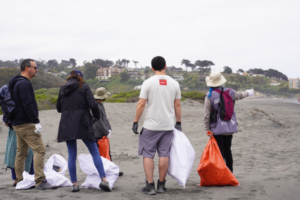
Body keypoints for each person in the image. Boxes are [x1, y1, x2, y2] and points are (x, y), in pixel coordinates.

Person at [132, 56, 182, 195]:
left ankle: (149, 186)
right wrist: (178, 123)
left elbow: (141, 104)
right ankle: (161, 184)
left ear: (152, 68)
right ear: (165, 66)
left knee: (148, 154)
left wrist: (136, 121)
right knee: (164, 154)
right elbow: (177, 105)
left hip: (151, 126)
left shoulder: (148, 83)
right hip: (167, 125)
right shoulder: (174, 83)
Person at [56, 70, 112, 192]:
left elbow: (58, 108)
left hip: (67, 123)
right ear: (80, 77)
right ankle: (104, 180)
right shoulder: (84, 86)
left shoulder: (63, 89)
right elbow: (93, 105)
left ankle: (75, 184)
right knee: (94, 151)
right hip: (83, 122)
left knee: (71, 154)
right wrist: (96, 117)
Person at [9, 59, 57, 190]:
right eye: (35, 67)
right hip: (26, 122)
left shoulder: (16, 82)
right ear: (26, 68)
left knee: (21, 152)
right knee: (40, 150)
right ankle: (40, 180)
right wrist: (36, 121)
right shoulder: (24, 84)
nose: (37, 70)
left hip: (17, 123)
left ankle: (19, 180)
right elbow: (27, 104)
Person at [204, 72, 254, 172]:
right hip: (229, 127)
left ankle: (222, 174)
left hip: (217, 129)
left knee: (220, 151)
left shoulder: (209, 95)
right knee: (228, 151)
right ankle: (230, 173)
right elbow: (240, 95)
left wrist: (207, 129)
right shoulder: (230, 92)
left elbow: (207, 115)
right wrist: (249, 92)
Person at [92, 87, 123, 176]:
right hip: (98, 134)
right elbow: (98, 121)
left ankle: (112, 170)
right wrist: (106, 131)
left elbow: (104, 119)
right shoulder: (96, 106)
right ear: (102, 97)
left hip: (102, 133)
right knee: (101, 154)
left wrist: (109, 129)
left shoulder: (99, 104)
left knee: (106, 152)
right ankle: (103, 172)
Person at [3, 116, 34, 187]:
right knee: (24, 151)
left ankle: (18, 179)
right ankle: (27, 177)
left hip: (15, 124)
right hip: (22, 124)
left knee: (14, 152)